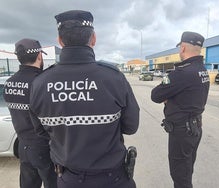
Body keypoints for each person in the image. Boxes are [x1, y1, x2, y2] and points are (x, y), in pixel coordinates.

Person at [29, 10, 140, 188]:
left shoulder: (40, 83)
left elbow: (41, 131)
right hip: (114, 179)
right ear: (93, 39)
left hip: (69, 179)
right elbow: (131, 126)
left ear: (60, 40)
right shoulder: (113, 78)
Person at [151, 31, 210, 188]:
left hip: (182, 131)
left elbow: (155, 95)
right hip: (195, 127)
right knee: (187, 170)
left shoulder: (182, 73)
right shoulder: (202, 70)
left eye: (179, 49)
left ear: (183, 48)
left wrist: (169, 99)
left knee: (180, 175)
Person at [3, 39, 57, 188]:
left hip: (23, 146)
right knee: (53, 183)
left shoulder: (9, 83)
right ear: (39, 56)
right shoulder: (41, 83)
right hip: (44, 148)